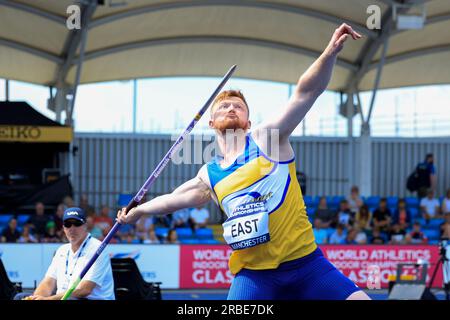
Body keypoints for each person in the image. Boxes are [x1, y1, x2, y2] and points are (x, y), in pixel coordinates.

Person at [118, 23, 368, 300]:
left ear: (248, 122)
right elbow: (170, 200)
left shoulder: (267, 139)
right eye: (223, 106)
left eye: (238, 106)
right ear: (211, 123)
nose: (231, 108)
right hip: (254, 276)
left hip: (307, 265)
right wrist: (139, 211)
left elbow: (305, 93)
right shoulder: (209, 175)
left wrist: (330, 52)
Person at [16, 207, 115, 300]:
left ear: (85, 226)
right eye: (68, 224)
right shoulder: (61, 250)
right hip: (66, 298)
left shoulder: (97, 249)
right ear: (63, 228)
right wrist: (36, 297)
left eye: (76, 223)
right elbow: (48, 282)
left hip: (88, 298)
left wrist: (48, 299)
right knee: (20, 297)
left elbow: (84, 290)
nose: (72, 228)